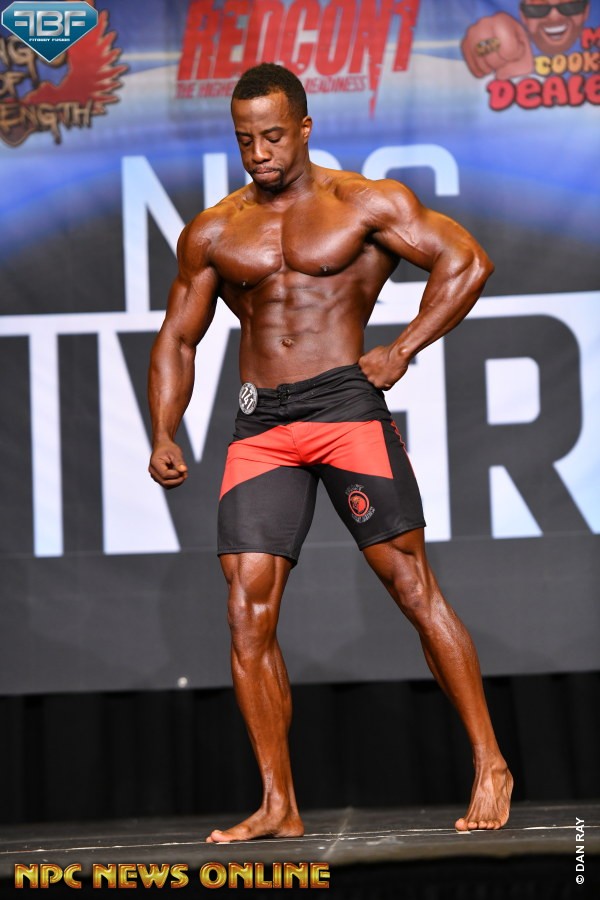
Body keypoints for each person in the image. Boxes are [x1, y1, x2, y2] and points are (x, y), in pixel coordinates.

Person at [148, 63, 513, 842]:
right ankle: (277, 803)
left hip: (345, 407)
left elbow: (468, 260)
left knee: (411, 586)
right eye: (246, 140)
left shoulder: (365, 203)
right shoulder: (214, 230)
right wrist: (164, 431)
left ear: (306, 128)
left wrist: (403, 348)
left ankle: (490, 763)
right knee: (245, 611)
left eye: (274, 136)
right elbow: (178, 337)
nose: (260, 153)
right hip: (262, 424)